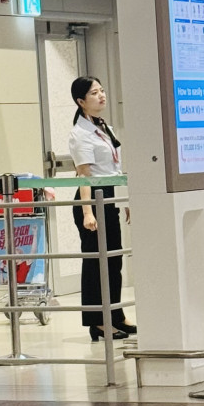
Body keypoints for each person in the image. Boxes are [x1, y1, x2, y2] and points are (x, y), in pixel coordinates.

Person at [68, 76, 135, 341]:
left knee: (114, 261)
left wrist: (124, 200)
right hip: (91, 200)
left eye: (102, 90)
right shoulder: (80, 133)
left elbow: (115, 169)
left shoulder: (104, 127)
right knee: (96, 263)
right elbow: (84, 175)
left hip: (108, 196)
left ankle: (115, 315)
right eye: (94, 93)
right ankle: (97, 321)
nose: (101, 95)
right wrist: (88, 212)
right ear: (81, 101)